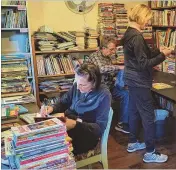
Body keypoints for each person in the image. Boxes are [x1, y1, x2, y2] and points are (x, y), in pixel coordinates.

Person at [121, 4, 172, 163]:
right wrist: (164, 55)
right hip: (139, 81)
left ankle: (133, 142)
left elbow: (142, 55)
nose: (148, 22)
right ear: (141, 17)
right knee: (148, 116)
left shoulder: (130, 33)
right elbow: (144, 63)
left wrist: (158, 50)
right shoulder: (136, 37)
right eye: (148, 19)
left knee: (134, 111)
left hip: (132, 79)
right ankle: (150, 152)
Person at [39, 63, 111, 155]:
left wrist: (75, 124)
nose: (77, 87)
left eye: (83, 85)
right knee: (43, 139)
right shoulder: (77, 86)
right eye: (77, 82)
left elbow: (99, 129)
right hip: (69, 124)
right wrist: (52, 108)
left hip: (86, 135)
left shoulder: (104, 95)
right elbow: (63, 102)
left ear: (94, 83)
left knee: (52, 148)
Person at [87, 36, 129, 133]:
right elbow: (101, 69)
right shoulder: (95, 56)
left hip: (109, 87)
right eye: (111, 49)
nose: (113, 51)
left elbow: (110, 73)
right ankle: (100, 125)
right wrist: (119, 67)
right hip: (98, 89)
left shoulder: (108, 57)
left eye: (114, 49)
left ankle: (122, 123)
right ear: (103, 48)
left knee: (126, 94)